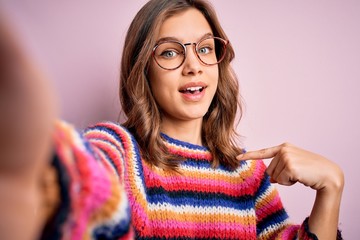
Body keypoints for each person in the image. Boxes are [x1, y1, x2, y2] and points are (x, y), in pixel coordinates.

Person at [0, 0, 344, 239]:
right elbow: (74, 178)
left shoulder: (250, 177)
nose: (193, 65)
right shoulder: (119, 151)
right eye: (169, 52)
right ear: (143, 71)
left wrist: (332, 187)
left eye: (205, 48)